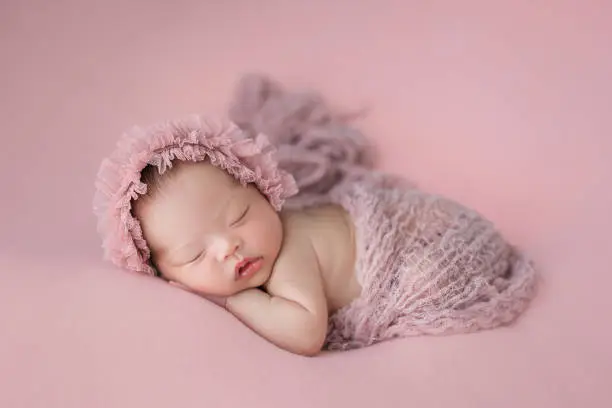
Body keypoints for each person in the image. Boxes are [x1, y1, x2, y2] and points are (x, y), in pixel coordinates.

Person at [93, 75, 537, 356]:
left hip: (432, 242)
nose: (228, 246)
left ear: (265, 191)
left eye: (239, 216)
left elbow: (307, 334)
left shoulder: (289, 253)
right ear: (163, 274)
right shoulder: (250, 249)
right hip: (430, 226)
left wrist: (238, 299)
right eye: (194, 256)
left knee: (431, 277)